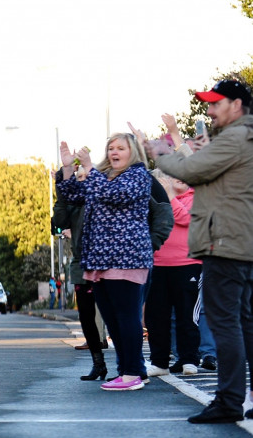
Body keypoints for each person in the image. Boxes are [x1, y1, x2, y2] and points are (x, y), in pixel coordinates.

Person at [146, 79, 253, 423]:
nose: (209, 110)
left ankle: (229, 401)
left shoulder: (237, 138)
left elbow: (190, 171)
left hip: (225, 243)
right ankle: (237, 398)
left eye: (215, 104)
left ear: (236, 105)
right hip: (241, 242)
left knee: (225, 323)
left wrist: (160, 153)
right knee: (244, 322)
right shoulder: (242, 138)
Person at [57, 134, 153, 391]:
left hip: (127, 257)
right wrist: (68, 167)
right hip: (99, 259)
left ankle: (131, 372)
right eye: (111, 148)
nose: (114, 152)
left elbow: (114, 195)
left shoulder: (138, 175)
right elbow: (72, 195)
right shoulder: (104, 176)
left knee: (126, 316)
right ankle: (132, 370)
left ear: (132, 152)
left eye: (121, 147)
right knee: (112, 319)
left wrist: (89, 169)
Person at [53, 168, 109, 380]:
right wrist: (61, 190)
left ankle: (128, 365)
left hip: (107, 262)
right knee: (86, 317)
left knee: (113, 315)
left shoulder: (103, 191)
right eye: (77, 176)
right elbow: (59, 221)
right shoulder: (73, 199)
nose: (81, 178)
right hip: (81, 264)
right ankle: (98, 364)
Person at [145, 169, 202, 378]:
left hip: (188, 263)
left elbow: (184, 218)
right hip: (158, 264)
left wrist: (168, 195)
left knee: (187, 315)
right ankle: (159, 362)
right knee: (156, 317)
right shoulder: (156, 198)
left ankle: (189, 359)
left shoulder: (197, 197)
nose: (176, 177)